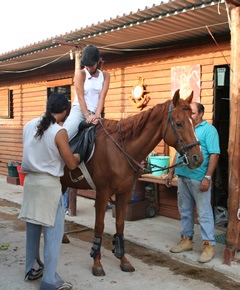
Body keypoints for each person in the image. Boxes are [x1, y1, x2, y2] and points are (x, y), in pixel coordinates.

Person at [19, 92, 80, 290]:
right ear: (64, 111)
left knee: (33, 230)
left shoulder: (29, 125)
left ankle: (31, 268)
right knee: (53, 235)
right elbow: (70, 164)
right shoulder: (59, 132)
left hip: (30, 184)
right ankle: (49, 281)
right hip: (48, 186)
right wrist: (77, 156)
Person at [166, 102, 220, 263]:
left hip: (199, 177)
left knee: (204, 213)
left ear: (202, 114)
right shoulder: (187, 127)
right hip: (182, 175)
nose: (191, 115)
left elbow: (214, 155)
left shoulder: (209, 130)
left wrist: (208, 177)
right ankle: (186, 240)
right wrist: (171, 172)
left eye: (194, 113)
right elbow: (179, 150)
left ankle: (208, 246)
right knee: (185, 210)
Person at [63, 44, 110, 141]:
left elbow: (102, 97)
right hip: (80, 111)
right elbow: (80, 97)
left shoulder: (105, 76)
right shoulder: (80, 74)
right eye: (86, 65)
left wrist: (97, 116)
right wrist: (87, 115)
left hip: (96, 112)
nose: (88, 68)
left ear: (97, 62)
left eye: (91, 65)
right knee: (66, 135)